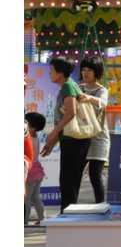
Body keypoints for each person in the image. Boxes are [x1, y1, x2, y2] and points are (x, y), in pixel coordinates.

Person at [40, 57, 89, 213]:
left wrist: (54, 132)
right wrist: (51, 143)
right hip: (71, 140)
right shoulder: (68, 86)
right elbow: (65, 119)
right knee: (68, 181)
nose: (49, 73)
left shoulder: (68, 86)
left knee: (68, 181)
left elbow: (71, 112)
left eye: (52, 70)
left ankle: (67, 217)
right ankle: (67, 215)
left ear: (60, 73)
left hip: (74, 141)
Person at [79, 56, 109, 203]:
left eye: (89, 70)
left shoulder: (102, 90)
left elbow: (102, 103)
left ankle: (100, 206)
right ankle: (71, 205)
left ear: (96, 72)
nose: (85, 73)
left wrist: (88, 98)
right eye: (83, 69)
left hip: (98, 138)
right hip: (80, 136)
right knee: (76, 173)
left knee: (95, 175)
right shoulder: (79, 88)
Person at [25, 112, 47, 225]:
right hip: (37, 171)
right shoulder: (36, 137)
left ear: (32, 128)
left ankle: (24, 221)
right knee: (36, 197)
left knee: (26, 199)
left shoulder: (27, 138)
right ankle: (42, 218)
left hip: (29, 172)